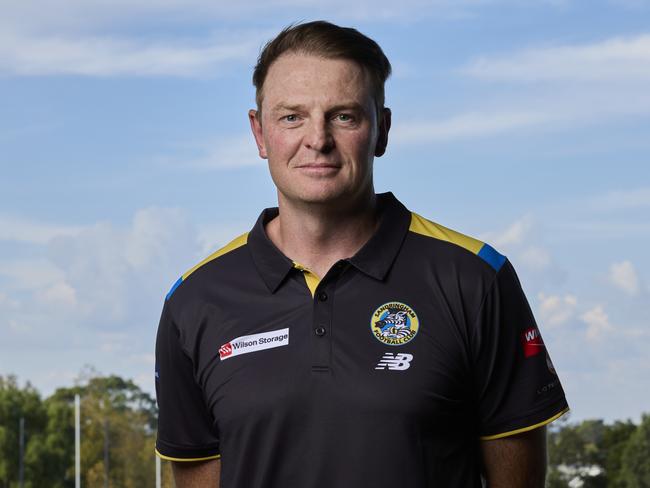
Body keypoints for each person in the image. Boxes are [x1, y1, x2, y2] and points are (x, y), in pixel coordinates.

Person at [154, 20, 569, 487]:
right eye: (292, 116)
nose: (317, 139)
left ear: (382, 130)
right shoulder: (194, 300)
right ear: (260, 133)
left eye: (344, 116)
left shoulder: (474, 277)